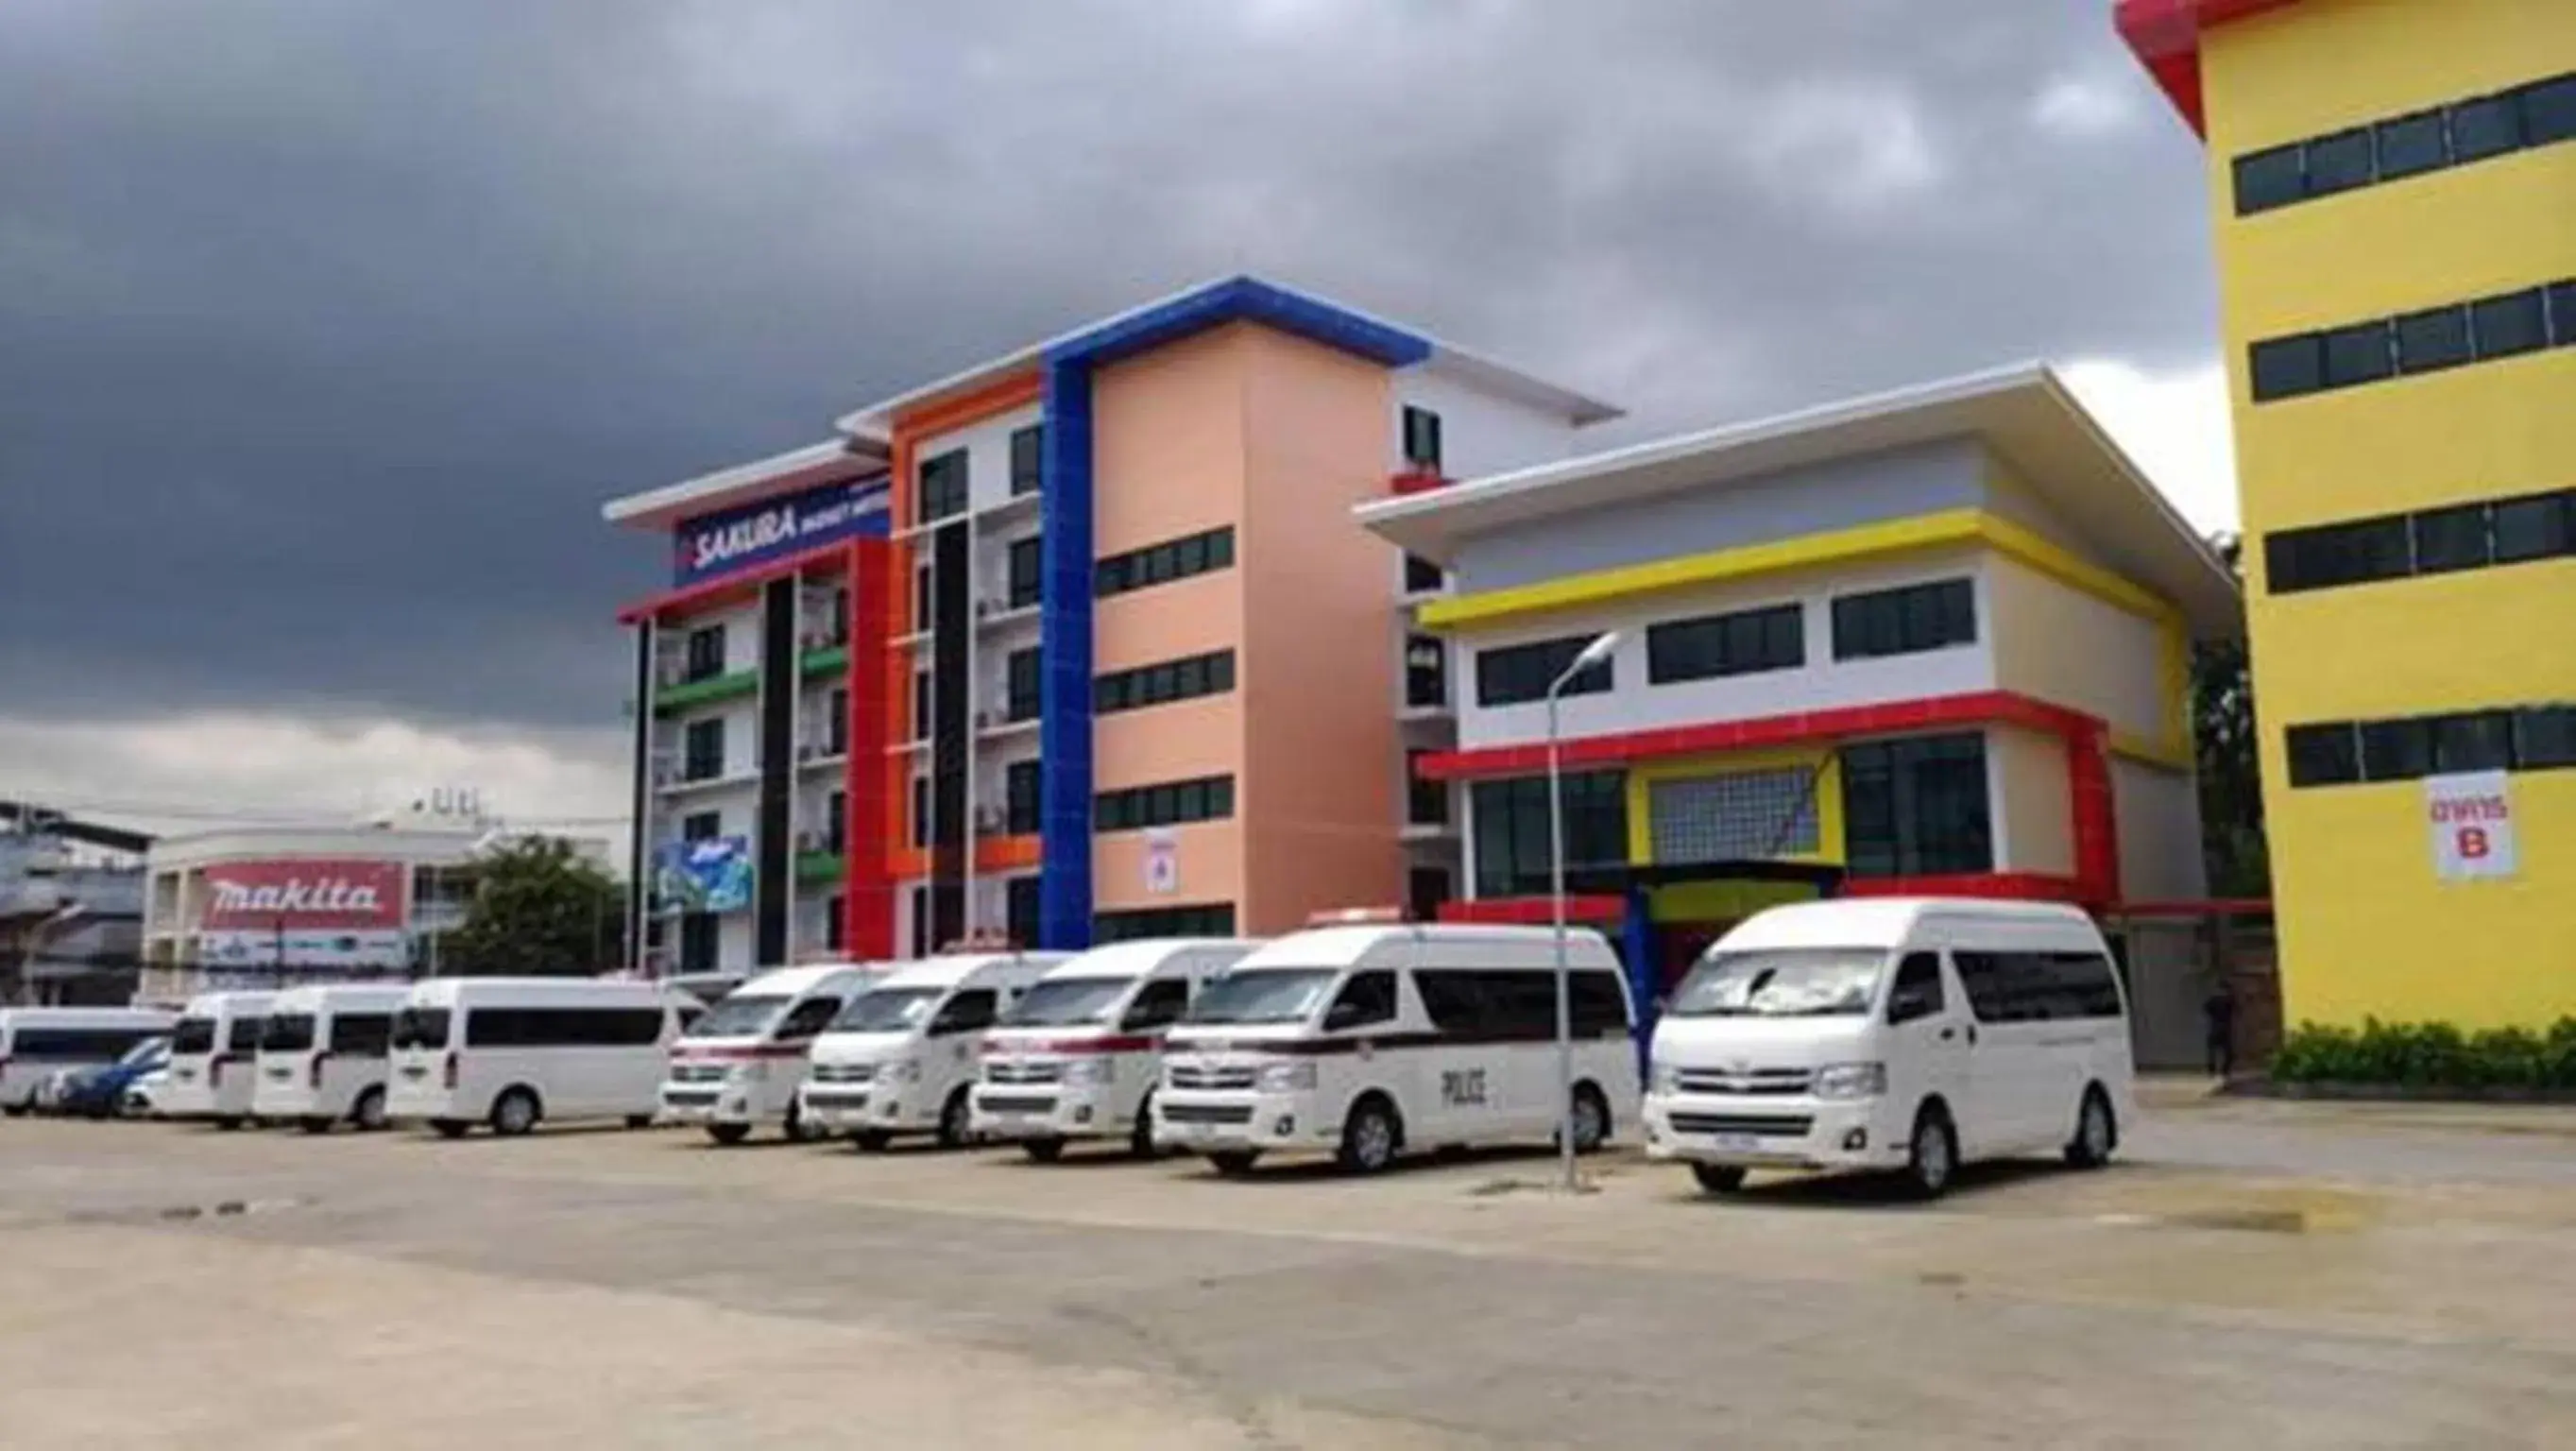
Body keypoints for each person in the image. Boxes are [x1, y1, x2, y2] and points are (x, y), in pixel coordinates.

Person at [2202, 978, 2238, 1080]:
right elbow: (2235, 1009)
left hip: (2215, 1026)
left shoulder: (2214, 1000)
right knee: (2228, 1052)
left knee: (2212, 1050)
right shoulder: (2229, 1000)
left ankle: (2211, 1070)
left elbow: (2206, 1009)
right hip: (2225, 1027)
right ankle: (2225, 1070)